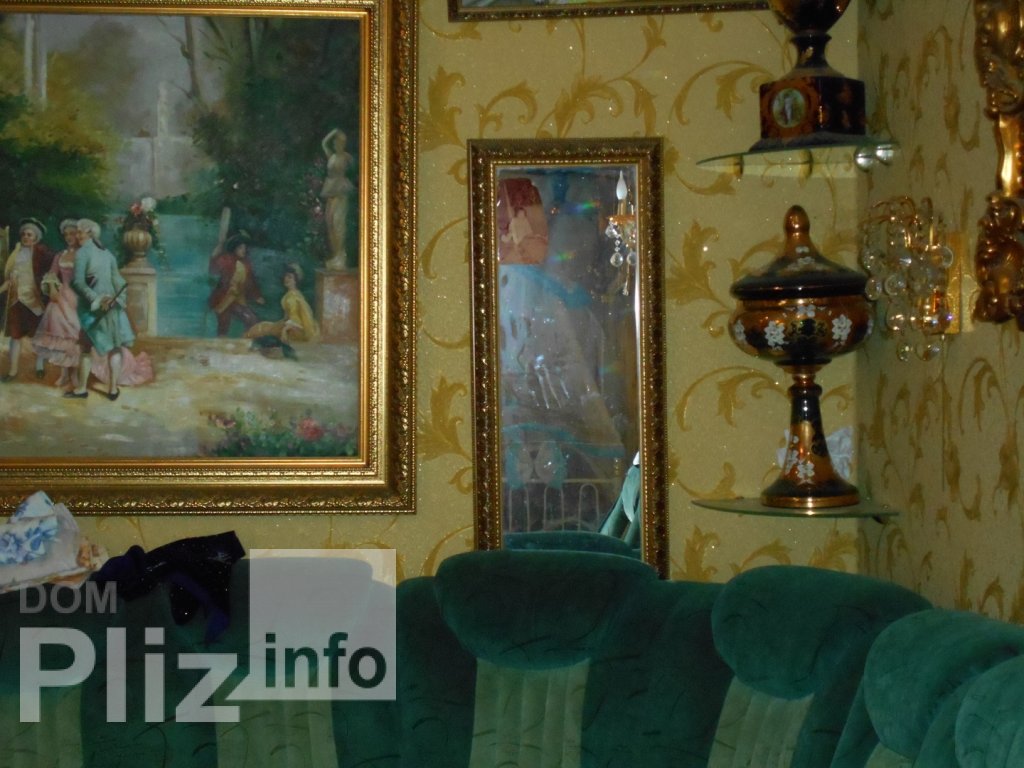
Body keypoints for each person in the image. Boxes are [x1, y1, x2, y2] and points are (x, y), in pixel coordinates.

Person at [66, 219, 135, 401]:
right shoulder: (108, 253)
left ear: (89, 233)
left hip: (94, 309)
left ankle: (82, 389)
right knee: (115, 347)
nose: (77, 236)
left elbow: (78, 283)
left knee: (86, 347)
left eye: (80, 232)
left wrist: (97, 299)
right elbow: (119, 282)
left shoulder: (82, 253)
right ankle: (112, 389)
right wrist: (116, 299)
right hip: (111, 307)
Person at [32, 219, 82, 389]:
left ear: (79, 235)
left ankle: (75, 375)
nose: (69, 237)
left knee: (76, 337)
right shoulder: (60, 255)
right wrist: (52, 288)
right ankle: (64, 374)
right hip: (61, 297)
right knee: (61, 335)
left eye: (72, 233)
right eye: (66, 234)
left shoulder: (84, 254)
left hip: (79, 297)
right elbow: (51, 275)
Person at [0, 217, 52, 381]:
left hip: (36, 301)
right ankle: (13, 371)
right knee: (15, 336)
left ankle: (39, 365)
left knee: (39, 336)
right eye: (24, 234)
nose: (26, 237)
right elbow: (9, 278)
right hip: (16, 301)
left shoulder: (42, 253)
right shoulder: (15, 254)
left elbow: (52, 273)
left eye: (29, 235)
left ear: (36, 237)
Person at [244, 263, 320, 357]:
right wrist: (279, 325)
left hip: (294, 329)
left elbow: (297, 321)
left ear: (295, 280)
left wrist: (284, 330)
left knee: (261, 330)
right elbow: (287, 317)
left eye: (290, 277)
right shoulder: (291, 294)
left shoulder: (294, 297)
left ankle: (248, 346)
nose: (286, 279)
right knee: (263, 327)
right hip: (286, 324)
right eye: (286, 276)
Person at [208, 230, 265, 336]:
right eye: (240, 248)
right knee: (224, 324)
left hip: (238, 299)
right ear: (234, 249)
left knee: (251, 319)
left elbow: (251, 282)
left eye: (244, 248)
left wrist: (256, 296)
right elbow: (213, 269)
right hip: (224, 299)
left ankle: (248, 338)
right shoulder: (226, 259)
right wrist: (216, 251)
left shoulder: (246, 264)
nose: (243, 250)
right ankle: (221, 341)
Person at [320, 128, 355, 270]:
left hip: (341, 192)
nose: (336, 144)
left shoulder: (346, 157)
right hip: (330, 191)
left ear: (343, 143)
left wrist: (337, 133)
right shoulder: (332, 156)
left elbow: (353, 169)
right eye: (335, 142)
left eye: (339, 142)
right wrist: (333, 132)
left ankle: (341, 256)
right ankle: (336, 255)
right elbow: (324, 143)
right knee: (329, 223)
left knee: (338, 223)